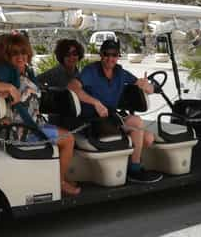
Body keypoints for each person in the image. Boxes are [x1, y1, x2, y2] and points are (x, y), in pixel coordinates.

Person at [0, 34, 80, 196]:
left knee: (64, 131)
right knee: (68, 139)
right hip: (22, 129)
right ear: (7, 56)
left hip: (34, 124)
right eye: (15, 53)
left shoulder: (27, 72)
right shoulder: (7, 73)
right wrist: (9, 89)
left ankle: (61, 177)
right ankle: (59, 182)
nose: (20, 57)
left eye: (23, 53)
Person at [68, 40, 162, 184]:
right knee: (137, 128)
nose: (110, 58)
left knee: (145, 133)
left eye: (114, 55)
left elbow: (141, 84)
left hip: (111, 118)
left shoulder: (120, 72)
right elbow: (72, 87)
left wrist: (148, 86)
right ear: (101, 55)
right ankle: (134, 171)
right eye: (106, 54)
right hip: (92, 121)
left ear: (118, 56)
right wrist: (95, 103)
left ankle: (131, 162)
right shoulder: (91, 71)